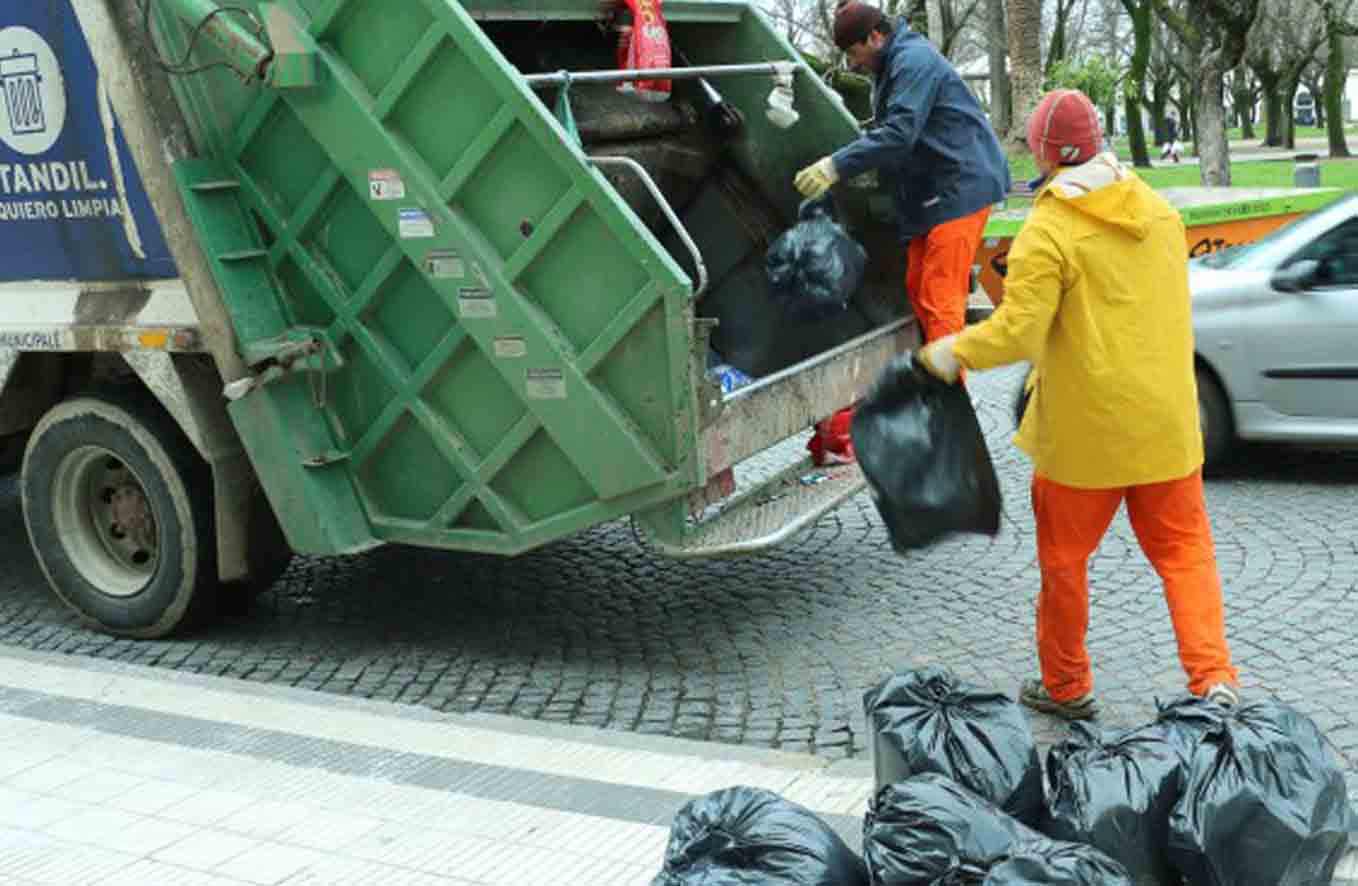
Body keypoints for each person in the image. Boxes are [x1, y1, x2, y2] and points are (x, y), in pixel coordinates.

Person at [916, 89, 1240, 719]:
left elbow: (1019, 333)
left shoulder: (1050, 229)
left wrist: (948, 353)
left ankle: (1066, 687)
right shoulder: (1159, 213)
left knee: (1065, 563)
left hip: (1083, 436)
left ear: (1042, 151)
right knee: (1185, 556)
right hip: (1167, 425)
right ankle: (1214, 681)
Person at [793, 1, 1010, 465]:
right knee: (915, 288)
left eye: (854, 53)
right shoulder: (893, 61)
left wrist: (836, 165)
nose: (852, 63)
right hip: (936, 192)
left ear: (875, 36)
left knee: (939, 299)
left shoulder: (912, 61)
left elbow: (899, 133)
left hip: (960, 186)